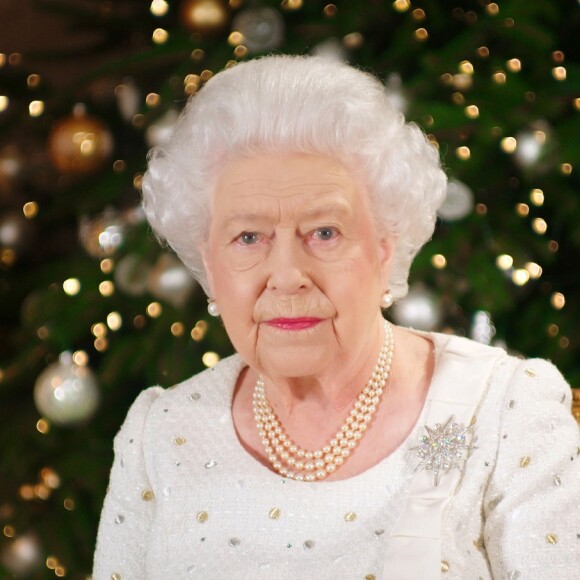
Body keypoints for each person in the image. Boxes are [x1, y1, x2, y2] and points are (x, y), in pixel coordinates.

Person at [93, 55, 579, 580]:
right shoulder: (161, 434)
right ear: (210, 266)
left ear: (386, 249)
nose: (287, 275)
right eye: (248, 237)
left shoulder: (506, 411)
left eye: (324, 232)